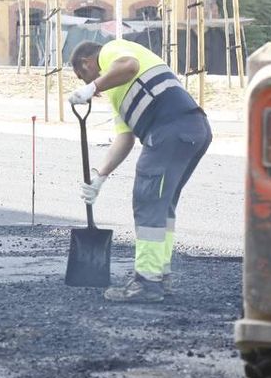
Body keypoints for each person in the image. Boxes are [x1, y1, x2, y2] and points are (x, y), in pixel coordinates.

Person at [68, 39, 211, 303]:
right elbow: (125, 139)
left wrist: (92, 86)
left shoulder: (111, 51)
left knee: (147, 201)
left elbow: (129, 65)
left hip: (171, 130)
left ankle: (146, 283)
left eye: (82, 75)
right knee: (162, 204)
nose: (88, 85)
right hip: (193, 130)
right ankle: (160, 276)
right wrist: (100, 176)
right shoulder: (116, 93)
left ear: (88, 63)